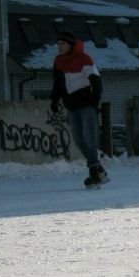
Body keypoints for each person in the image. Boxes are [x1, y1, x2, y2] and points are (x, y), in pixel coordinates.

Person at [50, 30, 109, 188]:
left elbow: (96, 81)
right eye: (58, 44)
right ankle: (98, 169)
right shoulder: (58, 61)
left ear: (70, 44)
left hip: (86, 104)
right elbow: (58, 83)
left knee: (89, 138)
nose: (59, 47)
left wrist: (94, 102)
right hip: (71, 105)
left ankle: (94, 174)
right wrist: (54, 100)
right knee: (78, 139)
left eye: (62, 44)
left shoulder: (84, 59)